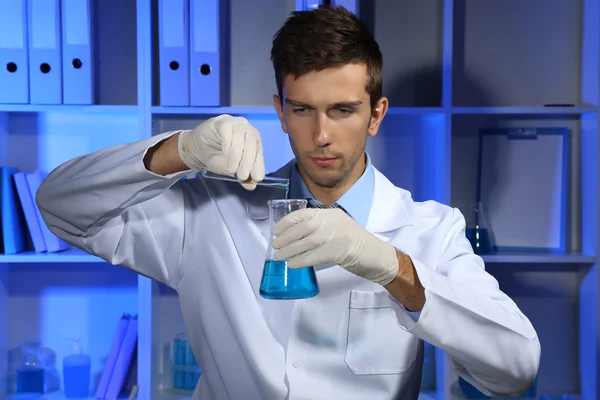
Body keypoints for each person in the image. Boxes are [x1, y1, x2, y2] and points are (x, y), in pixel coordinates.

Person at [36, 5, 540, 400]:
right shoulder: (212, 212)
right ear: (279, 110)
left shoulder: (430, 230)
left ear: (377, 114)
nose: (321, 135)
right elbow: (60, 205)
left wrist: (389, 267)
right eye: (302, 109)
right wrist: (180, 150)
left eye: (343, 110)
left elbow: (515, 369)